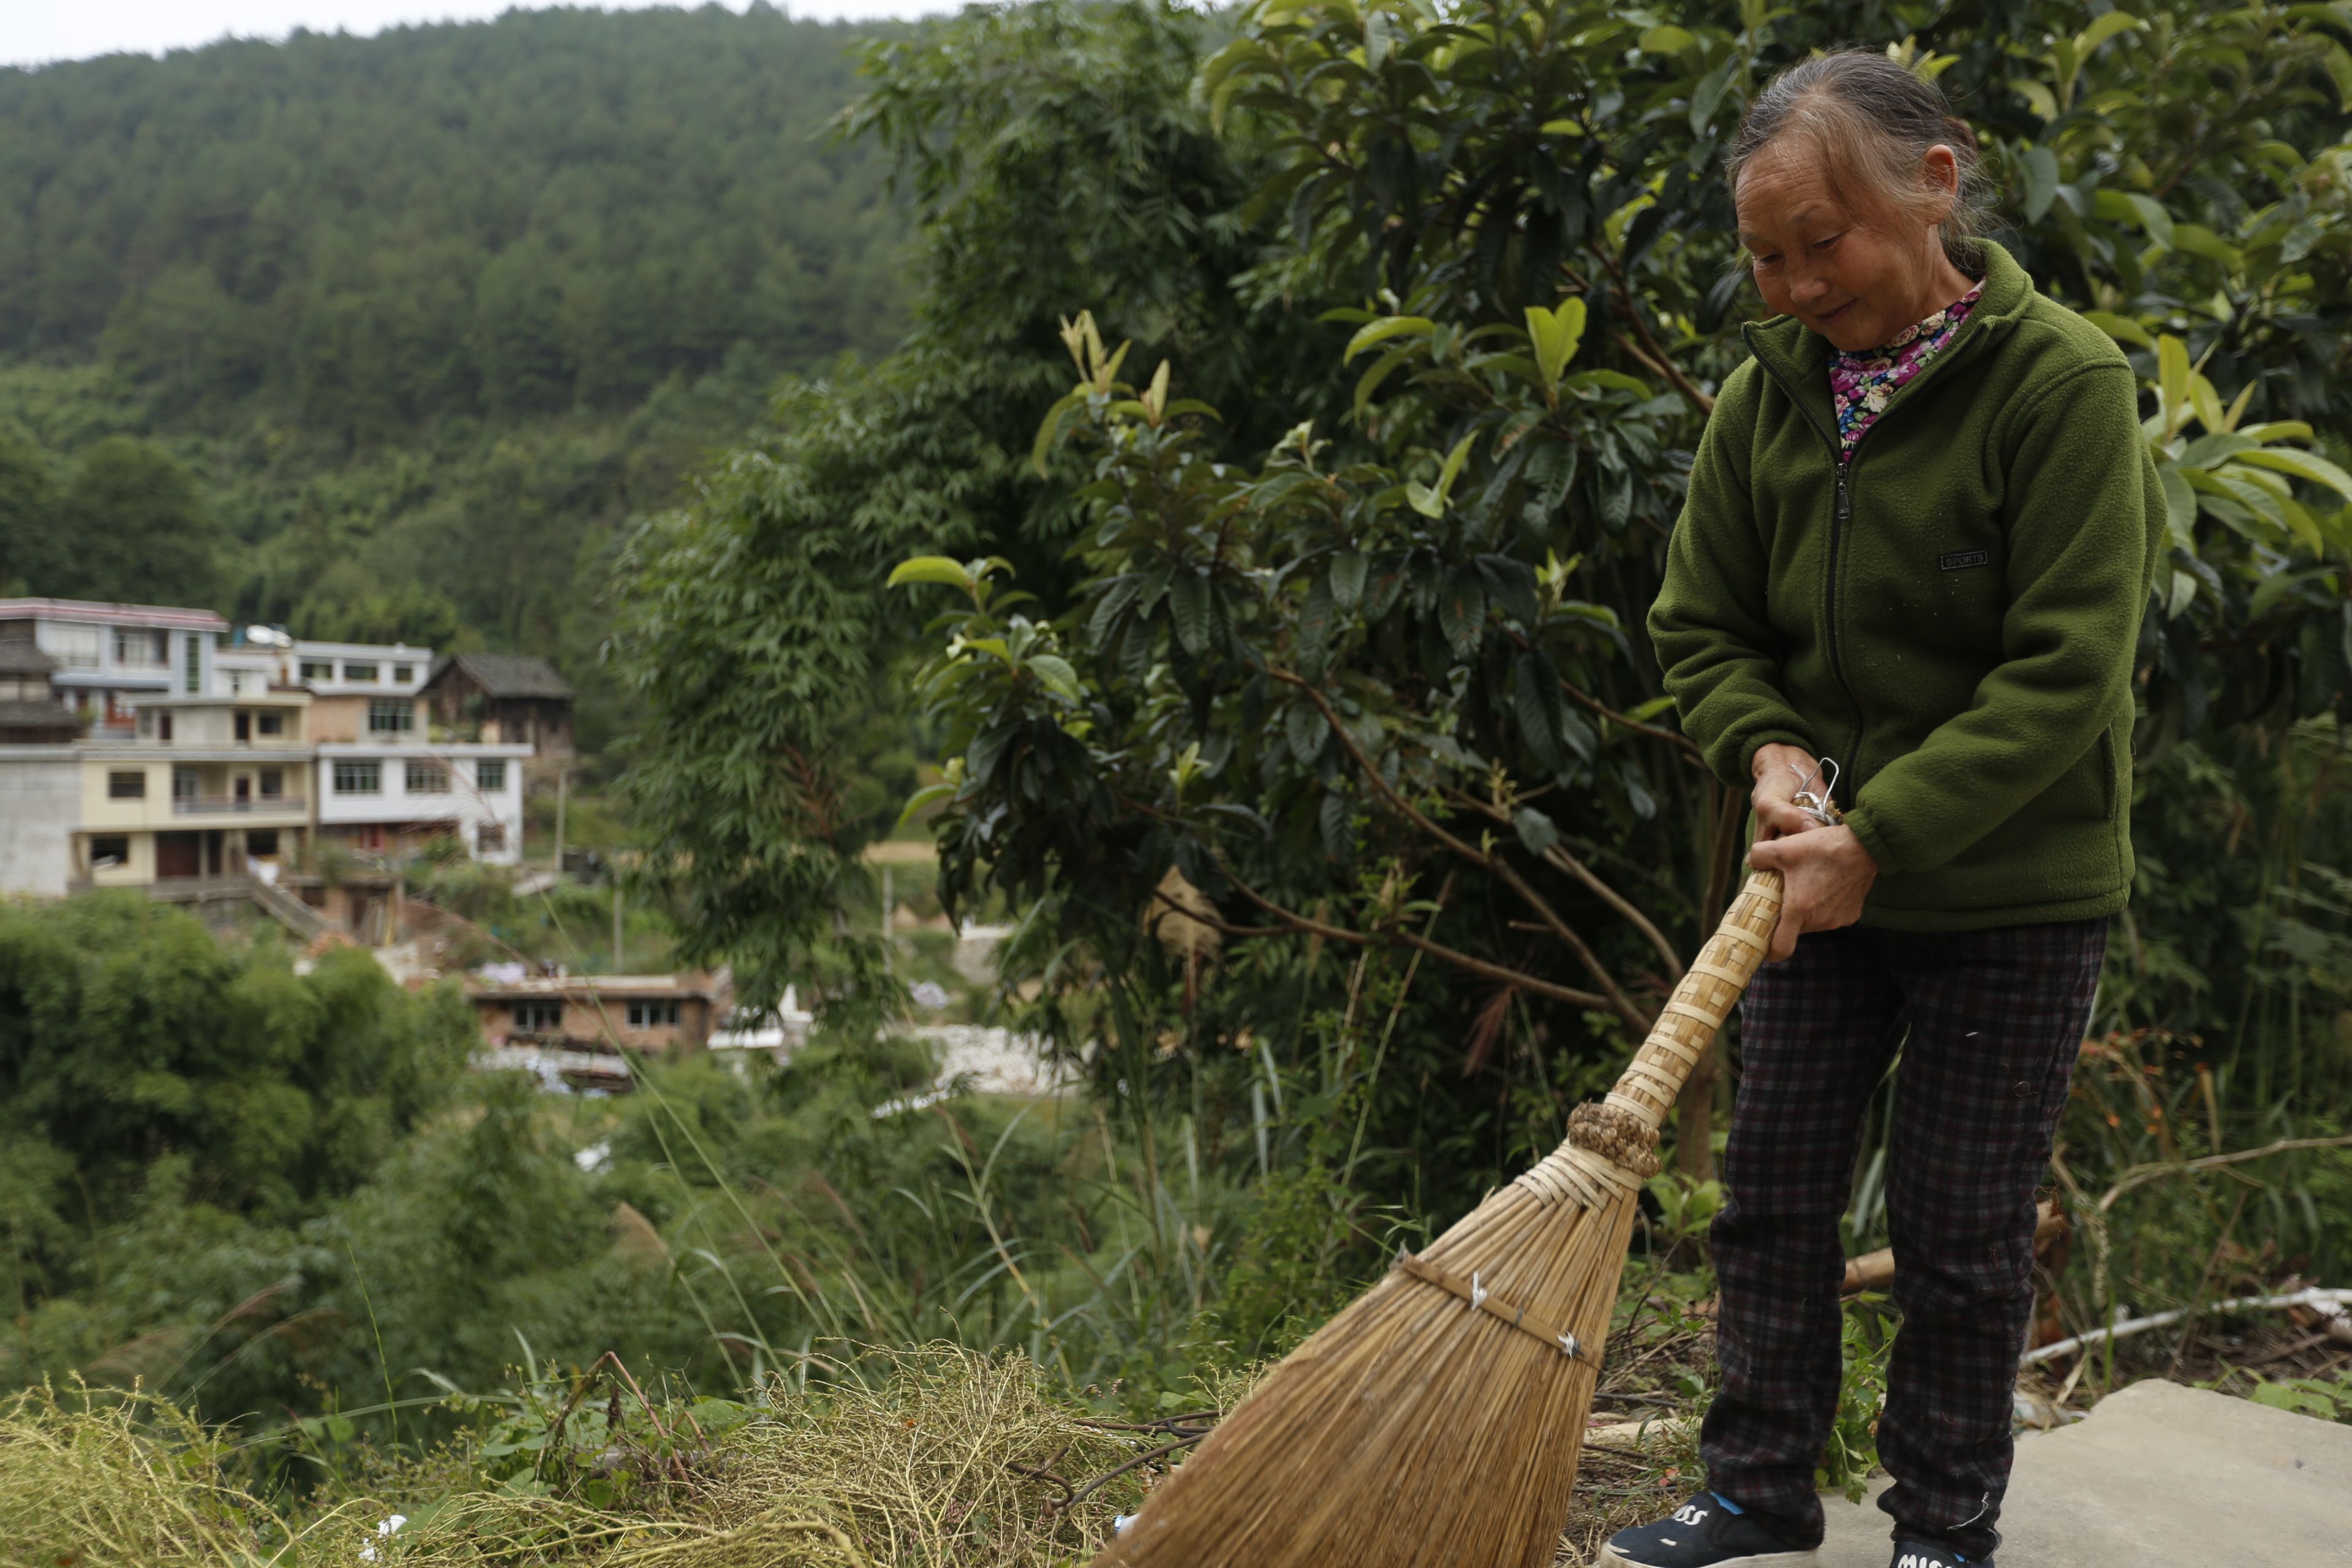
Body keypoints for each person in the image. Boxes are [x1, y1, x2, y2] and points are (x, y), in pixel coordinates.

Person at [1599, 50, 2163, 1568]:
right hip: (1808, 877)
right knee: (1771, 1193)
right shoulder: (1767, 397)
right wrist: (1769, 751)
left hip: (2009, 892)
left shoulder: (2062, 385)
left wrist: (1885, 836)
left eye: (1821, 242)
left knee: (1961, 1227)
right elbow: (1701, 622)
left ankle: (1943, 1523)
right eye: (1765, 259)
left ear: (1934, 185)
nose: (1795, 287)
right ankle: (1756, 1490)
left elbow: (2068, 669)